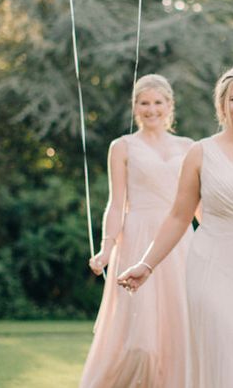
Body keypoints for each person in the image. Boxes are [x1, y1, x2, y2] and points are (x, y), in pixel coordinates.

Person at [118, 66, 233, 388]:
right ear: (222, 105)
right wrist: (146, 264)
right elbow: (179, 216)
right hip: (211, 263)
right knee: (226, 346)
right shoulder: (200, 152)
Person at [79, 74, 193, 388]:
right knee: (139, 339)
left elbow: (197, 205)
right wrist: (106, 249)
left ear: (170, 106)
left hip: (180, 242)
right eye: (144, 103)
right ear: (135, 107)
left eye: (158, 102)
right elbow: (116, 204)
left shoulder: (189, 147)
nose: (151, 109)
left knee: (179, 328)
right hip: (137, 239)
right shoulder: (123, 146)